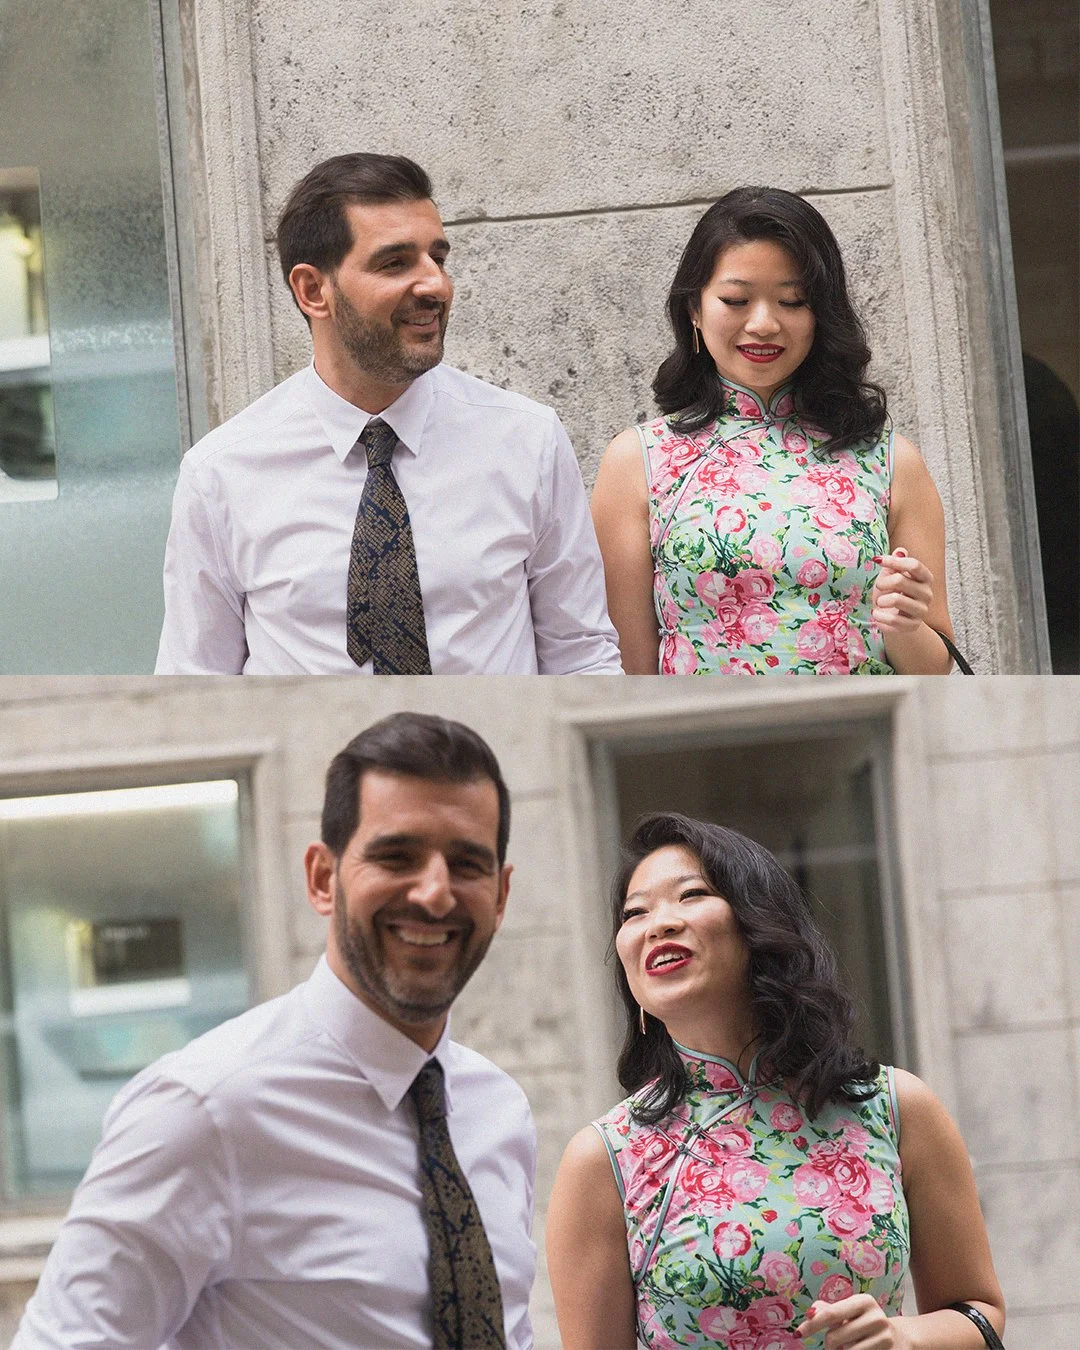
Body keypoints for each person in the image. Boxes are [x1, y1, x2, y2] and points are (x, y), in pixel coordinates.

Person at [15, 712, 537, 1349]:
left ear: (502, 895)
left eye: (467, 864)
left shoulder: (499, 1110)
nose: (434, 893)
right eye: (396, 856)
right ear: (322, 878)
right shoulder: (204, 1110)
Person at [546, 813, 1005, 1349]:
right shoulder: (606, 1159)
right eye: (635, 912)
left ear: (759, 925)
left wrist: (906, 1338)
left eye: (691, 894)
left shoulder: (893, 1107)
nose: (658, 923)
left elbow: (981, 1310)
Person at [155, 153, 621, 675]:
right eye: (395, 263)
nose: (435, 286)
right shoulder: (221, 474)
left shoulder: (527, 440)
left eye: (437, 258)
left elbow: (581, 654)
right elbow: (194, 683)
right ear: (313, 291)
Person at [591, 187, 955, 675]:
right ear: (694, 311)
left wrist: (904, 625)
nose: (763, 323)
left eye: (792, 300)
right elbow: (628, 671)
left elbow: (935, 669)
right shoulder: (638, 460)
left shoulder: (890, 460)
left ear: (820, 314)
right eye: (736, 300)